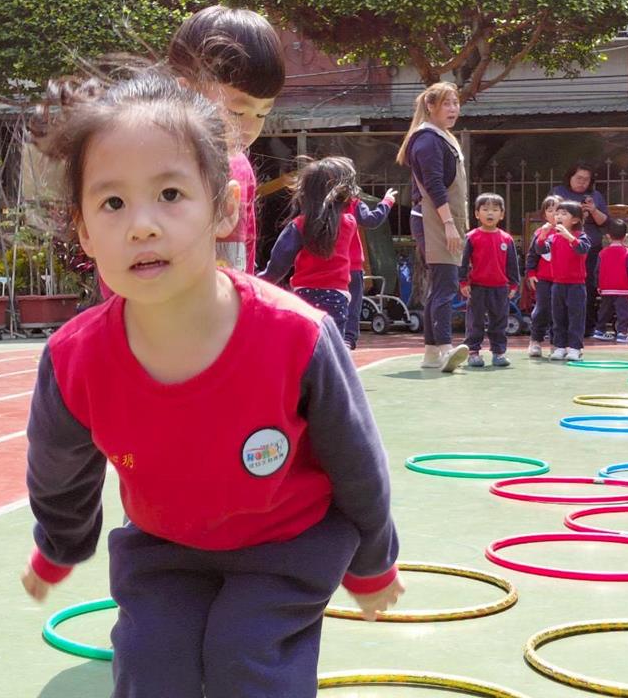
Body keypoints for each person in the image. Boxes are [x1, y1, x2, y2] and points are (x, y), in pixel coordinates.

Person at [20, 70, 403, 698]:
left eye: (170, 194)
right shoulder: (74, 360)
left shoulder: (296, 336)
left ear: (225, 208)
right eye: (112, 204)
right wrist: (59, 545)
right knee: (152, 665)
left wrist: (373, 561)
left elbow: (355, 457)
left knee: (244, 655)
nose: (141, 225)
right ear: (84, 229)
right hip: (165, 547)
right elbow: (58, 469)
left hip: (287, 542)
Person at [168, 5, 285, 273]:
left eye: (262, 114)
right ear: (186, 92)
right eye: (236, 112)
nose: (249, 128)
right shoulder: (150, 160)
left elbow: (246, 254)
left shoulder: (240, 167)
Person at [396, 82, 470, 372]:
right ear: (430, 107)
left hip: (442, 219)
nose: (453, 109)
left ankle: (431, 353)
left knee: (441, 285)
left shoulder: (442, 137)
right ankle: (443, 348)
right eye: (446, 104)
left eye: (455, 103)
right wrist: (449, 224)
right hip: (433, 220)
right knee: (445, 285)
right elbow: (434, 185)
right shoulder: (427, 140)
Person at [258, 157, 360, 334]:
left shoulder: (299, 225)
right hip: (337, 297)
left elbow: (278, 265)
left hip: (305, 295)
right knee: (332, 342)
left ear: (305, 193)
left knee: (305, 339)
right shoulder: (349, 223)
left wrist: (260, 281)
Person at [460, 193, 519, 367]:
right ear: (477, 214)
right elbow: (463, 262)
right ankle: (473, 352)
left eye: (495, 209)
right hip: (477, 287)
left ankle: (498, 352)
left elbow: (512, 263)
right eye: (485, 209)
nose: (490, 213)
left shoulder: (506, 239)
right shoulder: (471, 237)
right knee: (475, 321)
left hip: (500, 288)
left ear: (502, 214)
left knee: (499, 321)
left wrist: (514, 284)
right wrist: (463, 282)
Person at [550, 162, 608, 334]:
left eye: (586, 179)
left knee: (588, 285)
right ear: (570, 177)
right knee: (560, 287)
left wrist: (593, 210)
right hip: (562, 246)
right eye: (579, 178)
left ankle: (587, 326)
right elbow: (550, 214)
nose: (582, 182)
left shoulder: (595, 195)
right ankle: (559, 328)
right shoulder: (558, 192)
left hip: (589, 245)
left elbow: (605, 222)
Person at [536, 201, 591, 361]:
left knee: (576, 317)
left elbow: (582, 249)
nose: (558, 216)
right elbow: (540, 249)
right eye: (557, 214)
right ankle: (559, 346)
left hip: (576, 285)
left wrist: (569, 237)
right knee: (558, 317)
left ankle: (575, 348)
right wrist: (542, 236)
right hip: (557, 284)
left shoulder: (581, 236)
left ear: (575, 219)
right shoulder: (553, 237)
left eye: (564, 214)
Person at [345, 189, 398, 349]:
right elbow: (372, 220)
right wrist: (387, 201)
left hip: (328, 265)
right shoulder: (353, 203)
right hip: (351, 264)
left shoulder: (319, 205)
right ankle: (348, 339)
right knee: (353, 305)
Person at [525, 195, 560, 357]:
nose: (554, 214)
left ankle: (557, 343)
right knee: (542, 309)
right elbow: (532, 255)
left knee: (559, 311)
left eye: (558, 210)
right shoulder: (540, 232)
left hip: (562, 280)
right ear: (544, 214)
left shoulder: (568, 233)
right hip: (544, 279)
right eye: (550, 210)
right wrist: (531, 273)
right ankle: (535, 341)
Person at [591, 218, 628, 343]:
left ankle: (599, 330)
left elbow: (597, 271)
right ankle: (622, 333)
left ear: (608, 236)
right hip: (623, 289)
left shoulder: (602, 253)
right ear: (625, 236)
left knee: (605, 310)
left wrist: (598, 285)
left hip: (606, 288)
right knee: (623, 312)